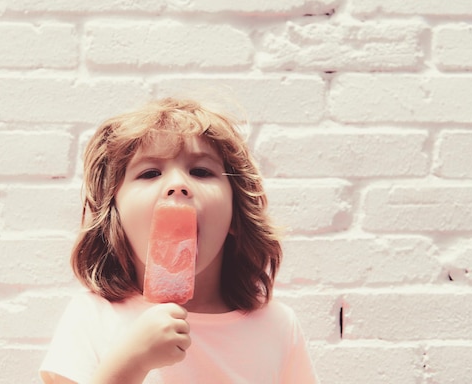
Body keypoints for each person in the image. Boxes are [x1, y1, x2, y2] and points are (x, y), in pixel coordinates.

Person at [40, 97, 319, 384]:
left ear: (235, 216)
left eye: (201, 171)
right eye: (150, 173)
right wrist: (131, 362)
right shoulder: (92, 317)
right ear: (116, 218)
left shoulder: (277, 326)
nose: (178, 185)